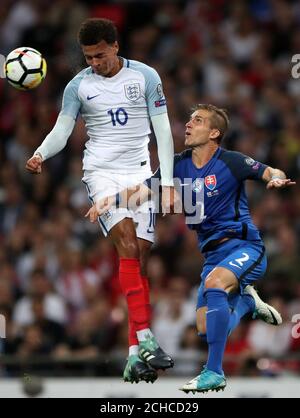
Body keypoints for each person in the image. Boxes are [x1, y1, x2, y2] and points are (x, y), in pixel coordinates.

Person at [86, 103, 296, 393]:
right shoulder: (178, 165)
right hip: (212, 257)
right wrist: (110, 201)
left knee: (215, 285)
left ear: (214, 132)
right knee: (205, 328)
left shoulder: (230, 161)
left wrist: (275, 178)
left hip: (244, 247)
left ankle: (214, 371)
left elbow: (269, 170)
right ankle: (248, 302)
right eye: (188, 120)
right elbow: (144, 190)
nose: (187, 124)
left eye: (197, 121)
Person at [25, 18, 177, 384]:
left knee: (139, 260)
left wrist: (168, 182)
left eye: (99, 55)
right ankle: (146, 338)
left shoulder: (145, 77)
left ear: (115, 46)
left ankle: (132, 355)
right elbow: (63, 130)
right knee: (125, 242)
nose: (94, 62)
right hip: (102, 173)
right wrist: (41, 153)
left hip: (141, 173)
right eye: (88, 57)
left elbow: (164, 130)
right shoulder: (79, 86)